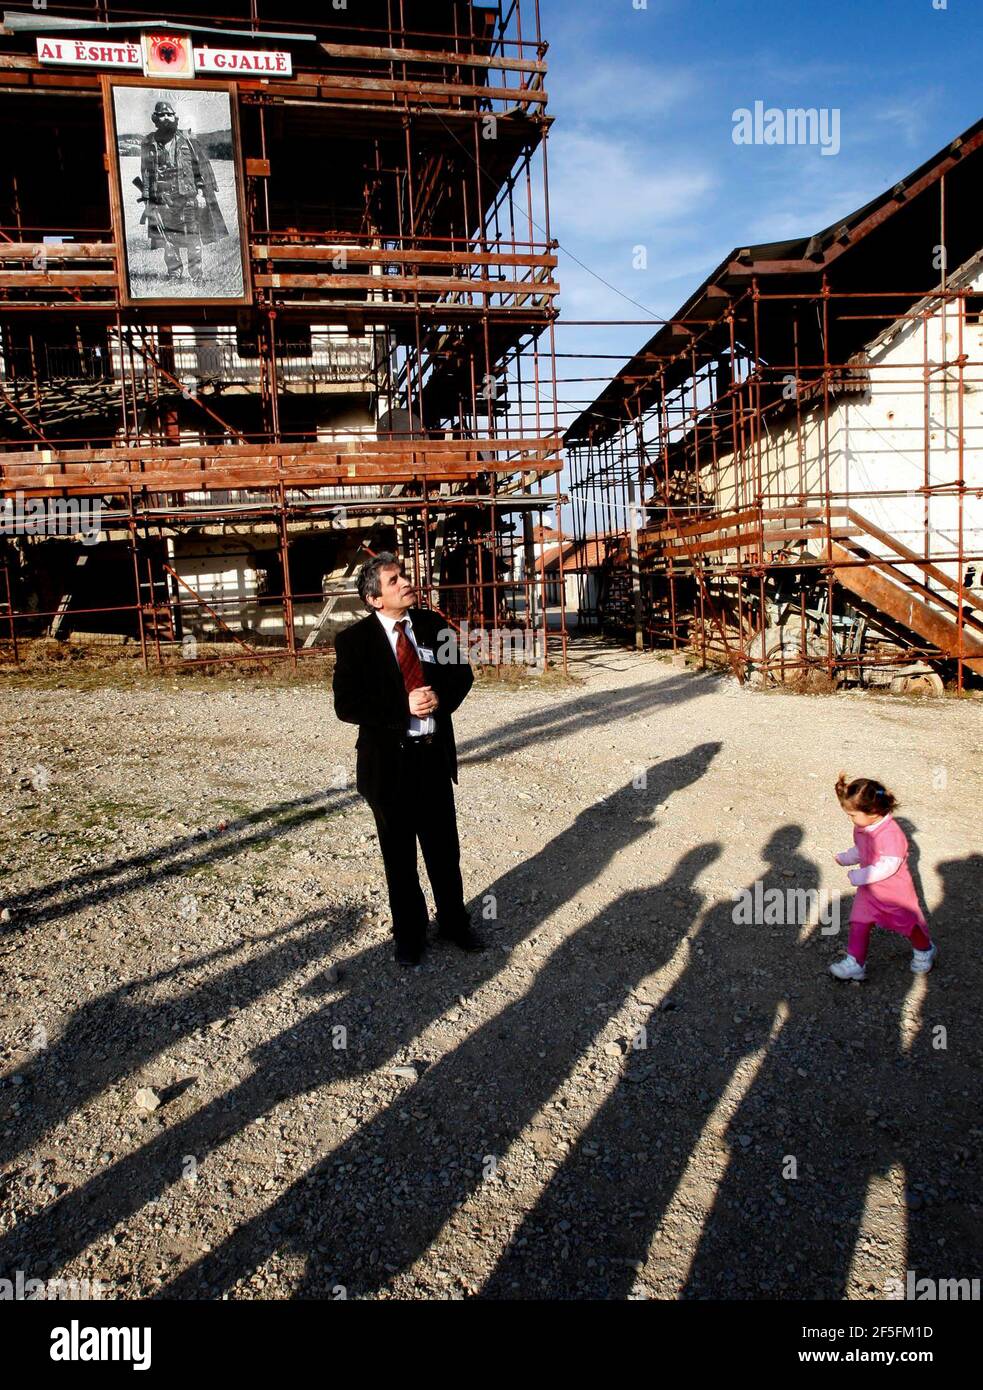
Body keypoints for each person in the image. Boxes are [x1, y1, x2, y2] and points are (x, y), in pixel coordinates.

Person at [332, 552, 484, 967]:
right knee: (399, 858)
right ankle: (410, 934)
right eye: (394, 580)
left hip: (433, 760)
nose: (406, 582)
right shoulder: (354, 642)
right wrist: (403, 706)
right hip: (388, 769)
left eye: (404, 576)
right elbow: (347, 705)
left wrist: (441, 698)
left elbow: (462, 675)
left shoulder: (434, 626)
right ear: (374, 598)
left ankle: (454, 923)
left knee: (443, 851)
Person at [828, 773, 935, 981]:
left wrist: (861, 875)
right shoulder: (863, 827)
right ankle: (855, 962)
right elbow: (862, 849)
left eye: (853, 814)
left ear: (874, 811)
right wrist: (847, 857)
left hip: (893, 892)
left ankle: (925, 949)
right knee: (859, 922)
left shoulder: (890, 833)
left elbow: (889, 865)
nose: (850, 819)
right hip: (870, 891)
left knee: (907, 923)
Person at [138, 100, 227, 283]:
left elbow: (200, 168)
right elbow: (146, 172)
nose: (166, 118)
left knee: (193, 238)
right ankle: (174, 274)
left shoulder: (189, 141)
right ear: (155, 119)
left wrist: (203, 193)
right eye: (162, 115)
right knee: (168, 239)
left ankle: (197, 276)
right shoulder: (148, 143)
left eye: (169, 115)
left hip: (187, 198)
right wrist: (147, 199)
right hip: (162, 199)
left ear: (175, 118)